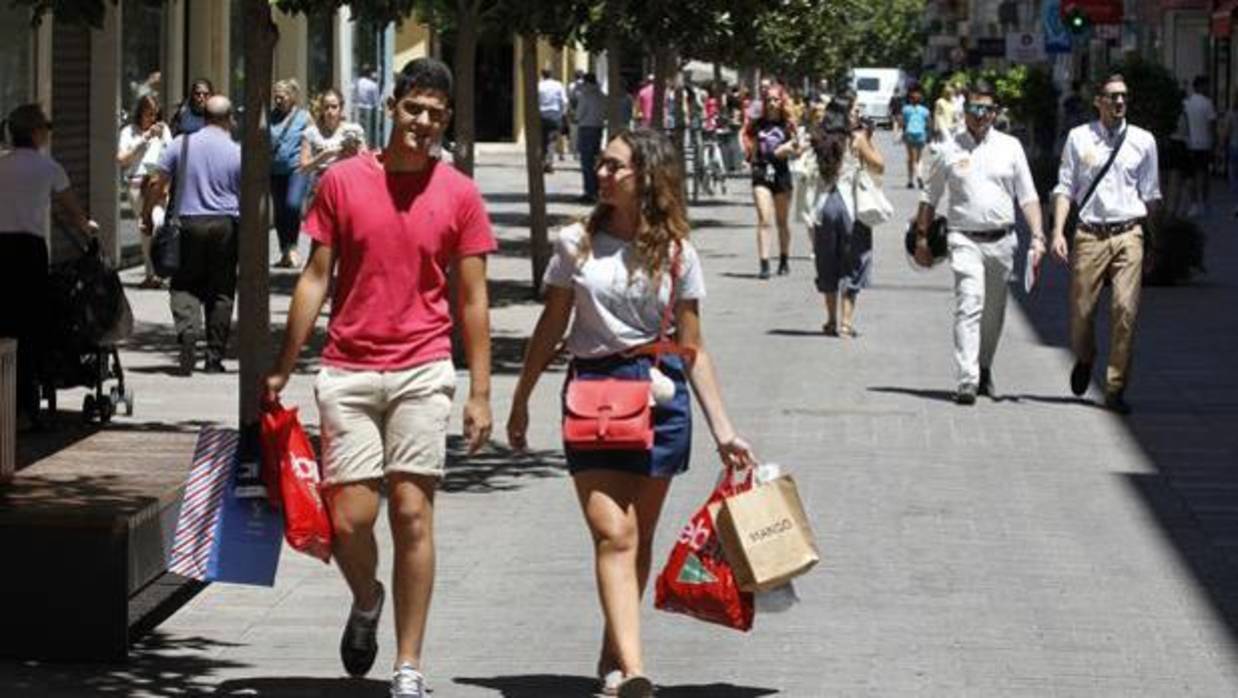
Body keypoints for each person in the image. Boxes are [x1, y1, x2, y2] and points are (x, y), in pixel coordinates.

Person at [265, 57, 495, 698]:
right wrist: (285, 363)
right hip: (348, 368)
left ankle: (409, 665)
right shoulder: (341, 182)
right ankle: (367, 598)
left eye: (436, 114)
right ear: (392, 106)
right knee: (347, 520)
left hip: (424, 368)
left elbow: (474, 299)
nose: (423, 123)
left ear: (447, 122)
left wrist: (479, 392)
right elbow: (316, 276)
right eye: (414, 109)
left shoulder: (459, 194)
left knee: (412, 513)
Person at [505, 128, 757, 698]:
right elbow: (552, 326)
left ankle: (615, 654)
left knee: (636, 538)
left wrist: (725, 430)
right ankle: (636, 671)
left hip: (661, 396)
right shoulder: (576, 242)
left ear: (646, 176)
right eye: (600, 164)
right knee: (612, 532)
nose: (601, 173)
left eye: (614, 166)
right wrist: (520, 396)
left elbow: (692, 347)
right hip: (594, 393)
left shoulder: (676, 252)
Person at [914, 79, 1045, 405]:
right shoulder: (947, 148)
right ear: (965, 110)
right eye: (975, 108)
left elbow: (1027, 196)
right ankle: (967, 379)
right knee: (969, 304)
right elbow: (929, 198)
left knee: (993, 314)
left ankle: (984, 366)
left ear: (996, 112)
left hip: (1002, 241)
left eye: (988, 109)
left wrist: (1039, 235)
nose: (982, 115)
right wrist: (921, 238)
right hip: (963, 239)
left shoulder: (1011, 147)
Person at [1049, 73, 1160, 415]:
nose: (1119, 102)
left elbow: (1151, 195)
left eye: (1124, 96)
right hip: (1089, 235)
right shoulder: (1079, 138)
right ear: (1098, 101)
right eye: (1112, 97)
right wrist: (1057, 232)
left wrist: (1154, 242)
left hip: (1129, 234)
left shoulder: (1143, 140)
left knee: (1125, 311)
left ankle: (1115, 387)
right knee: (1082, 313)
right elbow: (1065, 187)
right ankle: (1085, 357)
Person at [0, 104, 96, 430]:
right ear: (37, 133)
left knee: (3, 326)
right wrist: (88, 229)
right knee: (28, 329)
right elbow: (73, 212)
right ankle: (26, 410)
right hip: (28, 252)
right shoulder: (49, 168)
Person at [143, 95, 242, 376]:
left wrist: (146, 213)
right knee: (221, 290)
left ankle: (188, 333)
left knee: (184, 283)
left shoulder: (181, 144)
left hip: (188, 223)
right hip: (225, 225)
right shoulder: (237, 151)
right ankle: (213, 358)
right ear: (229, 119)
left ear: (204, 117)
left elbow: (156, 181)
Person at [809, 94, 884, 338]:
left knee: (827, 262)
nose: (858, 114)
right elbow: (878, 165)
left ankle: (830, 320)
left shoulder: (819, 137)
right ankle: (846, 323)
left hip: (823, 207)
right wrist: (869, 142)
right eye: (854, 110)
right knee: (854, 261)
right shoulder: (856, 139)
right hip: (850, 206)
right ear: (844, 113)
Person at [743, 85, 800, 279]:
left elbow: (800, 147)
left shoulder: (788, 125)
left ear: (781, 102)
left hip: (781, 173)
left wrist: (788, 148)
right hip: (761, 172)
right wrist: (749, 155)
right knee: (764, 218)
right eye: (768, 100)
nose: (772, 103)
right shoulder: (758, 124)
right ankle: (764, 263)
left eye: (776, 100)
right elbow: (746, 137)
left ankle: (784, 258)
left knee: (782, 221)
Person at [117, 94, 171, 288]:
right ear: (140, 113)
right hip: (136, 184)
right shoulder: (128, 132)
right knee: (145, 232)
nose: (152, 119)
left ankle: (160, 271)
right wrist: (142, 140)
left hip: (158, 183)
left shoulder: (163, 129)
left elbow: (171, 155)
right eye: (148, 114)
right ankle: (152, 274)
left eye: (155, 115)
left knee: (158, 222)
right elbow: (122, 159)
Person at [299, 87, 366, 212]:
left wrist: (354, 153)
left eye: (334, 106)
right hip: (321, 186)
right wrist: (324, 155)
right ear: (322, 109)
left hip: (347, 186)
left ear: (341, 108)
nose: (330, 111)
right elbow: (303, 167)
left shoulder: (354, 130)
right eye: (326, 107)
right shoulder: (311, 132)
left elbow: (365, 160)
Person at [269, 79, 311, 268]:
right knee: (279, 212)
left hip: (297, 169)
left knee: (292, 206)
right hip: (275, 170)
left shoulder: (304, 117)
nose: (278, 99)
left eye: (282, 95)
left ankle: (292, 247)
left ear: (292, 97)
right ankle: (285, 251)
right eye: (276, 95)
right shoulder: (270, 117)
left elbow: (312, 140)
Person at [1182, 75, 1216, 217]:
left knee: (1191, 176)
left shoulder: (1186, 103)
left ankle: (1194, 203)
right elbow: (1211, 123)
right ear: (1202, 86)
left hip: (1190, 143)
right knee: (1204, 174)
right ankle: (1204, 202)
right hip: (1205, 144)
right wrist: (1215, 141)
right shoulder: (1208, 103)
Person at [574, 73, 607, 203]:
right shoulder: (602, 95)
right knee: (595, 160)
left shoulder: (585, 96)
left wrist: (575, 118)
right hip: (598, 128)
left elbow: (579, 114)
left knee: (586, 161)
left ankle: (589, 191)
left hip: (586, 127)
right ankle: (597, 188)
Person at [899, 85, 930, 189]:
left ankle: (910, 180)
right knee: (919, 158)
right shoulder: (925, 110)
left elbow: (903, 123)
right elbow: (928, 123)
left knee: (910, 158)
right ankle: (920, 175)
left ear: (910, 99)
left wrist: (902, 134)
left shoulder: (906, 109)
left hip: (910, 134)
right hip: (921, 135)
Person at [538, 68, 568, 173]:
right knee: (552, 140)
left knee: (542, 140)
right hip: (555, 115)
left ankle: (542, 161)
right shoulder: (558, 85)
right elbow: (564, 101)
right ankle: (549, 162)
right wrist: (563, 114)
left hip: (542, 115)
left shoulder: (539, 86)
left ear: (542, 75)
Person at [1218, 89, 1238, 218]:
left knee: (1234, 177)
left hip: (1235, 147)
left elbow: (1225, 132)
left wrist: (1220, 146)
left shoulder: (1232, 114)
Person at [353, 64, 382, 147]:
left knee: (357, 129)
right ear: (369, 73)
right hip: (368, 109)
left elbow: (353, 95)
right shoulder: (372, 85)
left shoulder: (357, 82)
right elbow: (376, 101)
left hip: (357, 107)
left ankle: (358, 145)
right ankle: (366, 146)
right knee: (367, 131)